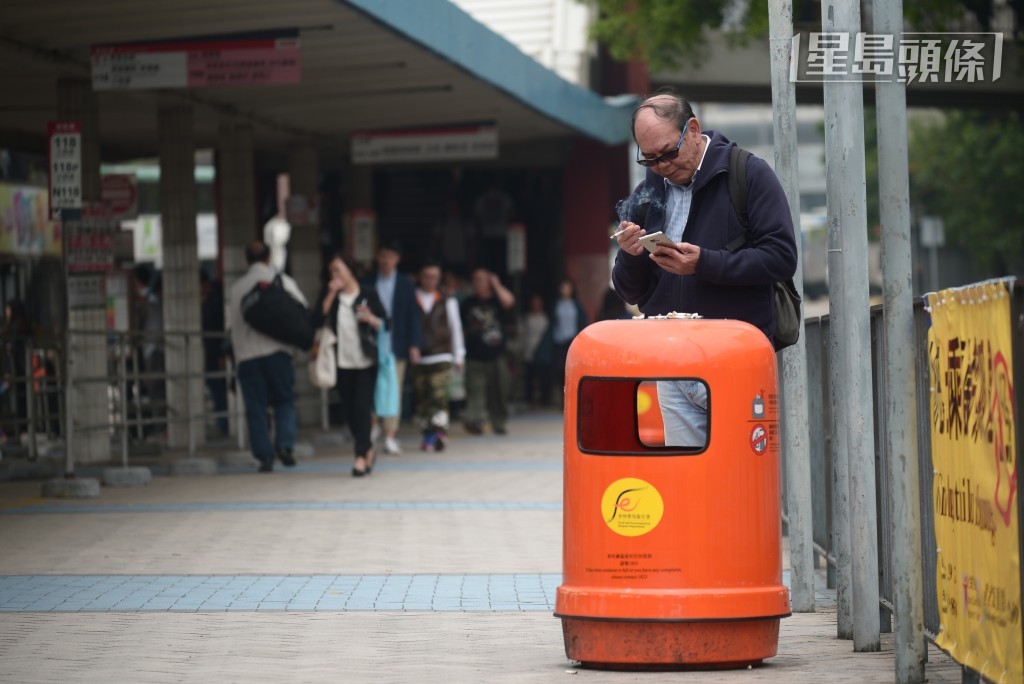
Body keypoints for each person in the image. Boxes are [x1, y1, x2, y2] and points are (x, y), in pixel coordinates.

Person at [612, 91, 797, 447]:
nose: (662, 166)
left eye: (669, 152)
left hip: (734, 360)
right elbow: (630, 291)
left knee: (741, 478)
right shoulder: (647, 193)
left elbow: (781, 257)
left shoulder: (747, 173)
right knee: (687, 484)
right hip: (671, 362)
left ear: (693, 130)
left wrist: (704, 263)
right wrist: (632, 254)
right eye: (649, 159)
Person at [228, 241, 307, 472]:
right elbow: (301, 310)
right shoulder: (282, 282)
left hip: (247, 357)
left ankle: (264, 457)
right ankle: (285, 446)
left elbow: (232, 326)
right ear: (268, 258)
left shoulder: (236, 289)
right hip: (278, 353)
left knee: (256, 407)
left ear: (246, 260)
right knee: (284, 400)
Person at [314, 252, 388, 477]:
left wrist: (371, 319)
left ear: (349, 269)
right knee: (349, 410)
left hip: (365, 361)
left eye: (338, 269)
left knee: (361, 407)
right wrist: (330, 293)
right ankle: (367, 450)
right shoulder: (332, 296)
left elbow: (385, 322)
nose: (335, 275)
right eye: (332, 271)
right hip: (341, 362)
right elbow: (317, 319)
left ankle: (359, 457)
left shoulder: (367, 293)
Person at [361, 240, 421, 454]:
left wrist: (414, 344)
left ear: (397, 259)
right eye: (383, 255)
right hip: (371, 343)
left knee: (394, 389)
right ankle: (372, 426)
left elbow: (414, 316)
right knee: (371, 386)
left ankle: (390, 435)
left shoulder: (406, 284)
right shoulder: (367, 281)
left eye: (390, 256)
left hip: (397, 343)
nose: (385, 260)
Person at [412, 261, 465, 452]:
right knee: (423, 399)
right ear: (420, 277)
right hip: (420, 357)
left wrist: (459, 354)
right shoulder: (412, 298)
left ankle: (437, 433)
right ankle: (429, 433)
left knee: (439, 396)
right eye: (426, 276)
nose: (430, 281)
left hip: (442, 355)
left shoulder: (447, 300)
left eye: (434, 277)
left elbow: (455, 328)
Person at [460, 268, 515, 435]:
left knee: (499, 391)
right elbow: (461, 328)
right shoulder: (467, 303)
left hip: (497, 355)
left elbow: (509, 301)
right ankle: (473, 419)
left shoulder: (497, 301)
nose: (477, 283)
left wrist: (496, 285)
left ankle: (499, 422)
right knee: (475, 390)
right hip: (474, 355)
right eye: (475, 280)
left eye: (481, 279)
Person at [542, 278, 588, 406]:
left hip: (572, 341)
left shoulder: (576, 305)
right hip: (559, 341)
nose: (565, 290)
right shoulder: (555, 304)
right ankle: (562, 398)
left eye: (567, 287)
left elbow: (582, 321)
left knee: (572, 369)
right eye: (563, 287)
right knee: (559, 369)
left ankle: (572, 398)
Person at [200, 268, 228, 436]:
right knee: (217, 390)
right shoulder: (211, 300)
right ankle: (223, 421)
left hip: (217, 353)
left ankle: (225, 423)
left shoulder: (216, 302)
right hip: (212, 353)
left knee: (219, 390)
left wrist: (223, 353)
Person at [519, 294, 552, 407]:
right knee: (529, 378)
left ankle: (545, 400)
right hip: (529, 350)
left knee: (544, 377)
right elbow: (522, 335)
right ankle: (529, 400)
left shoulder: (545, 318)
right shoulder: (526, 318)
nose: (536, 305)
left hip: (542, 352)